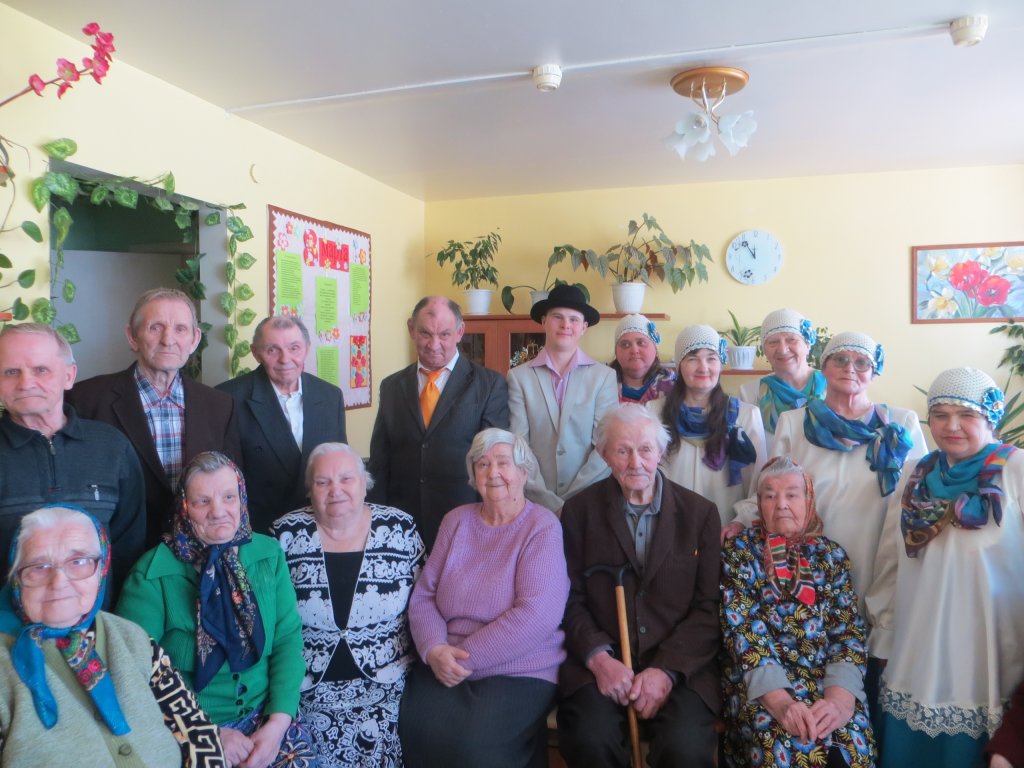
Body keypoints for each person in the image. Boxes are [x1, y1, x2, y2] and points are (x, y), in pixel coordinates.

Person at [867, 368, 1024, 767]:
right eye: (940, 414)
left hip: (990, 650)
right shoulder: (915, 473)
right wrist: (883, 636)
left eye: (965, 414)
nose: (951, 426)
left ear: (990, 417)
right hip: (918, 645)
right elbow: (890, 561)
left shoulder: (1015, 470)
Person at [117, 451, 315, 768]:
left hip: (266, 713)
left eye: (228, 497)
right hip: (187, 727)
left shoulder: (268, 554)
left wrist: (277, 725)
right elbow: (134, 675)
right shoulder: (152, 574)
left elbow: (287, 639)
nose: (219, 511)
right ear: (184, 506)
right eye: (202, 501)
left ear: (242, 500)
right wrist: (208, 733)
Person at [558, 404, 721, 768]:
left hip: (681, 668)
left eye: (645, 449)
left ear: (661, 452)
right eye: (622, 450)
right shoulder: (578, 512)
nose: (636, 462)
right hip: (602, 663)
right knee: (589, 741)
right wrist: (599, 659)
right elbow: (568, 599)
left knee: (686, 750)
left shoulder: (700, 514)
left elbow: (709, 607)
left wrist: (666, 671)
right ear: (603, 454)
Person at [0, 505, 225, 767]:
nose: (58, 581)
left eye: (79, 562)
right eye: (39, 566)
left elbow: (198, 731)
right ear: (17, 578)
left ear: (101, 570)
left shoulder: (131, 637)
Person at [400, 428, 567, 768]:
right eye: (482, 464)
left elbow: (537, 615)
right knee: (412, 730)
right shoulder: (456, 521)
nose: (493, 473)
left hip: (519, 666)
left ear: (524, 472)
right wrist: (434, 649)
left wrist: (463, 659)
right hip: (446, 660)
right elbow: (424, 598)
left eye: (503, 463)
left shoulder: (541, 526)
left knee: (476, 750)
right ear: (472, 474)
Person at [730, 331, 926, 604]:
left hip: (877, 550)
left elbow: (919, 500)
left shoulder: (901, 424)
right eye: (840, 359)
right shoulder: (794, 422)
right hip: (810, 559)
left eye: (862, 363)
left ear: (875, 371)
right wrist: (741, 519)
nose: (850, 368)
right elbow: (767, 490)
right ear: (823, 367)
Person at [271, 442, 424, 768]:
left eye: (346, 479)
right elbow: (270, 618)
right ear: (309, 490)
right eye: (322, 482)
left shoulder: (399, 529)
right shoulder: (285, 534)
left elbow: (426, 601)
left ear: (364, 483)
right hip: (306, 685)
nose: (335, 490)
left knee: (379, 739)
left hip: (385, 681)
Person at [720, 456, 876, 768]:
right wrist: (781, 703)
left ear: (808, 499)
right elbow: (745, 633)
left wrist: (840, 701)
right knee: (782, 746)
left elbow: (847, 631)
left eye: (792, 494)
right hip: (762, 684)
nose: (781, 505)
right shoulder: (740, 553)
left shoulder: (831, 556)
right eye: (769, 495)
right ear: (759, 504)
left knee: (853, 747)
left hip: (825, 682)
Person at [69, 288, 243, 547]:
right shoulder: (85, 400)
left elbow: (231, 487)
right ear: (132, 336)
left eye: (181, 329)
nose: (168, 339)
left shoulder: (219, 405)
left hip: (199, 558)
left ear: (195, 340)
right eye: (155, 327)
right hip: (121, 555)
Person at [0, 323, 145, 594]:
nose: (26, 382)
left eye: (40, 370)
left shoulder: (112, 447)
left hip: (100, 627)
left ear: (69, 376)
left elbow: (130, 549)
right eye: (11, 372)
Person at [368, 296, 508, 550]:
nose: (434, 345)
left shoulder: (489, 385)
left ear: (460, 332)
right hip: (402, 523)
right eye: (425, 333)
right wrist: (377, 519)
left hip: (465, 519)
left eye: (444, 334)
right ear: (411, 329)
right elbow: (380, 460)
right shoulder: (391, 386)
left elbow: (493, 462)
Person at [217, 315, 347, 532]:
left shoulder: (330, 396)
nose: (285, 359)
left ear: (306, 348)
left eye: (294, 348)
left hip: (321, 527)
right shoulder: (228, 398)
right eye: (272, 350)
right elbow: (223, 480)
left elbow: (340, 464)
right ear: (256, 353)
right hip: (261, 530)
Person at [507, 283, 617, 513]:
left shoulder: (603, 377)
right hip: (534, 502)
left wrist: (571, 503)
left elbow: (605, 445)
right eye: (557, 317)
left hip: (589, 500)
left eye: (574, 319)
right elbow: (519, 445)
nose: (566, 325)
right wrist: (545, 500)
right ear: (543, 321)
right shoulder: (518, 378)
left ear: (584, 327)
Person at [650, 325, 766, 527]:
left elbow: (760, 483)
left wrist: (741, 520)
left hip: (725, 530)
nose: (703, 367)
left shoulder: (746, 416)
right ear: (679, 366)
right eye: (692, 358)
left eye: (711, 358)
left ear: (720, 364)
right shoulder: (654, 413)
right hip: (668, 528)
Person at [739, 308, 826, 439]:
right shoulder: (749, 393)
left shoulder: (833, 386)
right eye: (773, 342)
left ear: (807, 345)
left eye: (791, 340)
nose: (783, 350)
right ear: (765, 350)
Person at [610, 313, 675, 404]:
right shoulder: (602, 385)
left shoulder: (674, 387)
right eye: (625, 344)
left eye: (641, 343)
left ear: (655, 349)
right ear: (616, 351)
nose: (634, 350)